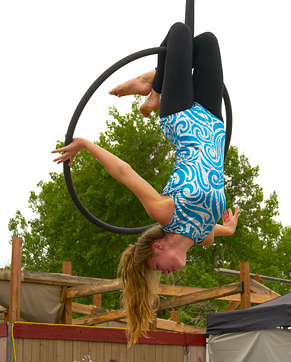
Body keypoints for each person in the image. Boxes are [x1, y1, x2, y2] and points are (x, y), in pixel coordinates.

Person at [52, 22, 240, 346]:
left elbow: (124, 173)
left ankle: (153, 89)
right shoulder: (203, 236)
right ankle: (152, 85)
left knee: (180, 32)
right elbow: (218, 231)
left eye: (156, 267)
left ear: (158, 246)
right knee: (208, 41)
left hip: (179, 116)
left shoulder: (165, 213)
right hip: (213, 120)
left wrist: (85, 144)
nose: (165, 273)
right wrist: (232, 228)